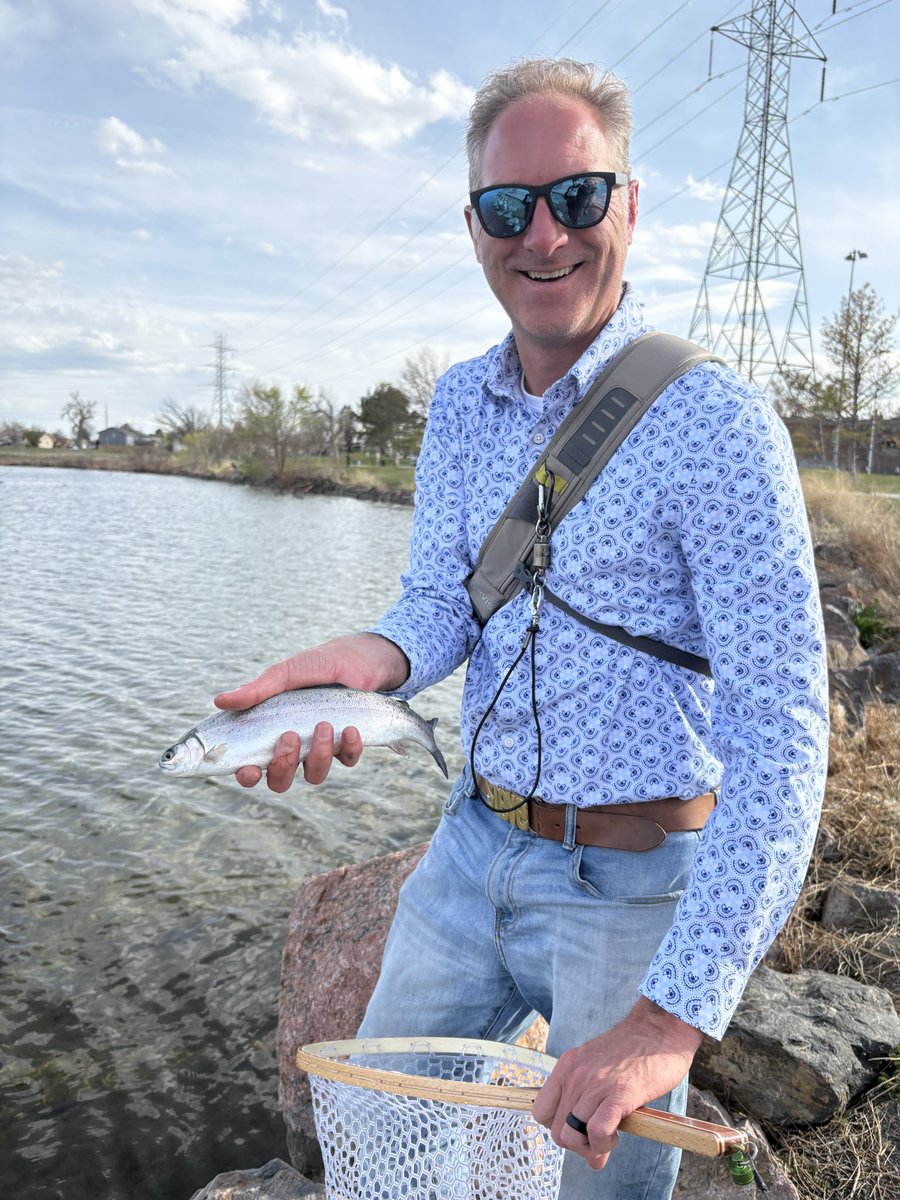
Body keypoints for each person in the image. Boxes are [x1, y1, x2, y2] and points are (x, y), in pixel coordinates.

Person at [215, 58, 828, 1200]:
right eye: (510, 207)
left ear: (630, 203)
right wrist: (375, 663)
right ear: (475, 226)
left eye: (578, 197)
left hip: (635, 886)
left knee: (604, 1187)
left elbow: (785, 735)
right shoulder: (456, 403)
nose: (544, 234)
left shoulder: (720, 428)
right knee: (379, 1147)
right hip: (468, 848)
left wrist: (672, 1020)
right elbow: (444, 600)